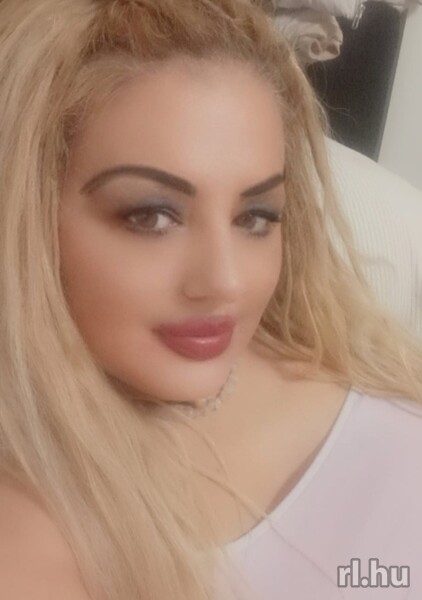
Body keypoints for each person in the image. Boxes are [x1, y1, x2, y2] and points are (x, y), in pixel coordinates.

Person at [0, 1, 421, 599]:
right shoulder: (34, 523)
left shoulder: (380, 383)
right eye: (151, 216)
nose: (225, 282)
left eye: (256, 217)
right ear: (26, 220)